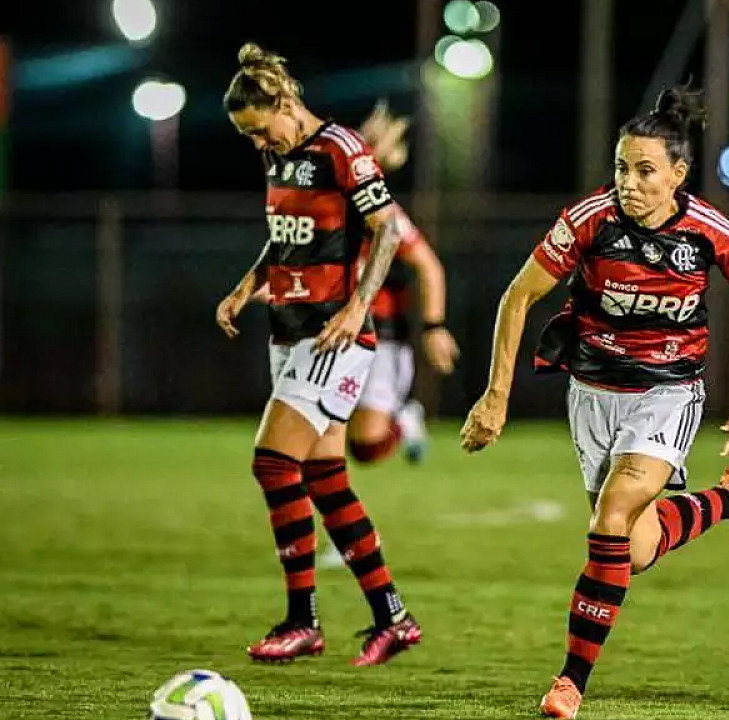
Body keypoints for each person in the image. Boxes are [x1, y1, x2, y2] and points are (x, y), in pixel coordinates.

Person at [459, 84, 729, 719]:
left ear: (678, 173)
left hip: (667, 395)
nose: (630, 182)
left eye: (645, 170)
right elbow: (517, 296)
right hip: (591, 394)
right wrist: (495, 396)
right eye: (621, 167)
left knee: (610, 521)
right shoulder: (589, 221)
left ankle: (570, 683)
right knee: (632, 549)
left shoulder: (708, 231)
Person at [215, 42, 423, 667]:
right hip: (289, 331)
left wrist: (359, 306)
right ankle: (393, 616)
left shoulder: (341, 149)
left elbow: (387, 228)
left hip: (333, 337)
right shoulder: (282, 159)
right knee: (325, 480)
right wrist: (246, 285)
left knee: (272, 463)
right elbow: (286, 239)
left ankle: (301, 619)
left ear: (283, 102)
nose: (257, 143)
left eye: (259, 129)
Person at [347, 100, 460, 466]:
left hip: (380, 332)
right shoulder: (328, 204)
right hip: (330, 325)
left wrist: (433, 326)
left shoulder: (383, 212)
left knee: (367, 448)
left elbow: (429, 265)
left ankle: (403, 415)